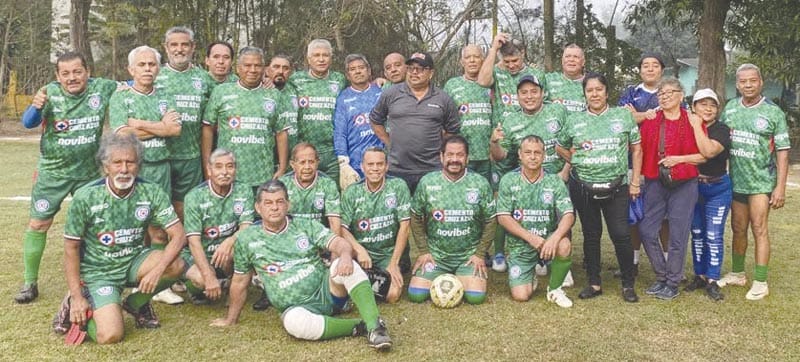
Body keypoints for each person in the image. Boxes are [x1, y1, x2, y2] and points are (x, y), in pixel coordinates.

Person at [211, 180, 392, 350]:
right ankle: (358, 327)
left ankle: (375, 327)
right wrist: (231, 319)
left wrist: (345, 255)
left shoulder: (305, 225)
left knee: (345, 265)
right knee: (293, 324)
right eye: (268, 203)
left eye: (280, 201)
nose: (275, 207)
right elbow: (240, 282)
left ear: (288, 204)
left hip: (328, 293)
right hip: (296, 308)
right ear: (258, 208)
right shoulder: (246, 239)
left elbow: (339, 243)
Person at [55, 133, 187, 344]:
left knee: (176, 265)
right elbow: (71, 247)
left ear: (139, 165)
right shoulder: (85, 197)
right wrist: (77, 295)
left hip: (134, 261)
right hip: (100, 272)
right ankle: (74, 303)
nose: (124, 169)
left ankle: (135, 303)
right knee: (111, 335)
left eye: (130, 162)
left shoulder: (151, 191)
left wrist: (156, 271)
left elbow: (179, 235)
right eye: (117, 163)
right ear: (106, 166)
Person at [14, 52, 118, 304]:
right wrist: (35, 105)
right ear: (57, 76)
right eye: (66, 74)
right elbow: (28, 123)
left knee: (93, 227)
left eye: (77, 72)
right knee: (39, 224)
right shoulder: (48, 93)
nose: (72, 78)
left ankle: (93, 278)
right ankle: (29, 282)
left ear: (87, 72)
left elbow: (134, 86)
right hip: (53, 173)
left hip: (88, 173)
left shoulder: (102, 88)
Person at [558, 72, 640, 303]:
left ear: (606, 91)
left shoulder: (622, 116)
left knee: (621, 234)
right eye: (589, 90)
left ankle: (627, 283)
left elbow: (637, 148)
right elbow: (560, 147)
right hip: (583, 186)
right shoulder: (574, 120)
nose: (594, 94)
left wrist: (635, 181)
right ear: (584, 94)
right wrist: (576, 160)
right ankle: (594, 282)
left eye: (599, 89)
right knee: (591, 235)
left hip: (617, 186)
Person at [489, 74, 574, 284]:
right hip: (526, 180)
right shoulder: (511, 120)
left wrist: (566, 169)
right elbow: (500, 156)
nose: (529, 96)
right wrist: (494, 142)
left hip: (556, 177)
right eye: (524, 92)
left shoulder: (558, 111)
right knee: (530, 219)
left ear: (542, 93)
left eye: (534, 91)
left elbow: (573, 142)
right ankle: (533, 259)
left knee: (560, 217)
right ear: (517, 96)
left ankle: (559, 261)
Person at [718, 64, 790, 300]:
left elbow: (782, 151)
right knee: (738, 228)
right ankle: (738, 273)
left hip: (761, 182)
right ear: (737, 84)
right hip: (736, 182)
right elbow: (720, 142)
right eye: (743, 81)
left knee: (759, 228)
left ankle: (761, 281)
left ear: (761, 82)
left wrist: (779, 186)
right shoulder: (730, 109)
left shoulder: (773, 113)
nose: (748, 85)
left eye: (752, 81)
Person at [476, 33, 545, 272]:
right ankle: (498, 254)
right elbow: (483, 81)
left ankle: (539, 253)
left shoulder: (537, 75)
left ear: (523, 55)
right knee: (501, 199)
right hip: (504, 141)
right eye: (508, 62)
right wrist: (494, 48)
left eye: (515, 61)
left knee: (535, 198)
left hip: (532, 142)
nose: (512, 65)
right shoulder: (498, 71)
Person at [407, 136, 496, 305]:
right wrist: (424, 251)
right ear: (441, 157)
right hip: (436, 257)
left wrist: (479, 254)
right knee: (416, 295)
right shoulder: (427, 182)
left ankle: (462, 274)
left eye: (460, 155)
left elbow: (491, 220)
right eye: (449, 155)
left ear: (467, 158)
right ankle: (445, 274)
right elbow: (415, 216)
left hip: (467, 257)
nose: (454, 159)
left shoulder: (480, 183)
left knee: (475, 297)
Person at [637, 78, 703, 300]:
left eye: (669, 93)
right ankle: (662, 274)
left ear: (681, 95)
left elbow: (704, 154)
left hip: (684, 183)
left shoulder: (693, 121)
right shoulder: (652, 121)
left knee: (678, 232)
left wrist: (679, 160)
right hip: (656, 181)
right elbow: (637, 148)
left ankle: (673, 282)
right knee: (647, 229)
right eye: (661, 94)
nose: (664, 97)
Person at [497, 136, 575, 307]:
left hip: (548, 243)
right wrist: (531, 238)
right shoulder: (508, 180)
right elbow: (503, 217)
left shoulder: (554, 181)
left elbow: (568, 214)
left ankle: (554, 289)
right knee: (521, 296)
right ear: (520, 154)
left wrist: (554, 238)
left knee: (564, 244)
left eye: (537, 153)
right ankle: (529, 273)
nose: (532, 157)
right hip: (520, 245)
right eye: (528, 152)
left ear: (544, 155)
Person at [369, 51, 460, 194]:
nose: (414, 72)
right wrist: (389, 142)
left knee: (431, 212)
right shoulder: (391, 94)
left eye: (421, 69)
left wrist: (436, 145)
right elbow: (375, 120)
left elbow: (452, 130)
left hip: (432, 169)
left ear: (430, 73)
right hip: (397, 168)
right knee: (399, 213)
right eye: (411, 68)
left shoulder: (443, 98)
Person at [201, 46, 290, 191]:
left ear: (264, 69)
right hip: (228, 175)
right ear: (237, 68)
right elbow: (208, 128)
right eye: (247, 65)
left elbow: (281, 133)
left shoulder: (274, 95)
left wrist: (282, 167)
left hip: (263, 174)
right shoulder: (221, 92)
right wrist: (207, 166)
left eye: (257, 65)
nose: (253, 70)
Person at [181, 148, 254, 305]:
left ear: (235, 170)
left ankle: (229, 283)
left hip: (225, 251)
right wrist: (208, 276)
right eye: (219, 166)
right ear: (209, 170)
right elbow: (194, 242)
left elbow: (246, 226)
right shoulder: (194, 197)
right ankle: (195, 288)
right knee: (201, 280)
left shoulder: (244, 190)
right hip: (199, 254)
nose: (225, 172)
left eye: (230, 166)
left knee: (242, 245)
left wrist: (229, 241)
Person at [617, 53, 668, 276]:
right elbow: (621, 119)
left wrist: (638, 115)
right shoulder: (631, 92)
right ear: (639, 70)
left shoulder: (669, 92)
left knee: (665, 216)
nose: (650, 69)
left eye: (654, 65)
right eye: (645, 65)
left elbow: (674, 117)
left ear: (661, 70)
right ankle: (634, 262)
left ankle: (667, 262)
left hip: (662, 163)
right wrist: (647, 115)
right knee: (633, 214)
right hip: (632, 162)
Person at [340, 148, 411, 303]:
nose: (375, 168)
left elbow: (405, 227)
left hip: (388, 253)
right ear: (362, 166)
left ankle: (363, 283)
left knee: (392, 295)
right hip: (361, 253)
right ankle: (364, 280)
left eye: (380, 164)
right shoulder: (352, 192)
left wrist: (393, 263)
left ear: (386, 166)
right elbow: (342, 228)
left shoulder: (398, 186)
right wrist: (359, 250)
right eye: (370, 164)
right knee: (338, 288)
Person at [156, 26, 212, 221]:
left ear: (192, 47)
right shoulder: (154, 76)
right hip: (160, 157)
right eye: (174, 45)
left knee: (183, 210)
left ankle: (182, 248)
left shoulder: (204, 79)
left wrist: (267, 81)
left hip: (191, 157)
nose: (179, 49)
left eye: (184, 45)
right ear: (166, 47)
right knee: (155, 210)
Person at [111, 46, 180, 195]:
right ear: (131, 70)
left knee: (160, 214)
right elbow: (122, 134)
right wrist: (163, 127)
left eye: (152, 64)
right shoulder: (120, 97)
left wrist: (139, 124)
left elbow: (174, 130)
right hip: (132, 168)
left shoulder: (167, 96)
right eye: (141, 65)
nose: (147, 69)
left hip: (161, 167)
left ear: (158, 69)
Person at [685, 88, 731, 301]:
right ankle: (700, 275)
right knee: (697, 234)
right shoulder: (686, 127)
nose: (708, 108)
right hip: (693, 187)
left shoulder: (721, 129)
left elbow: (709, 152)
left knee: (713, 235)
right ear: (694, 107)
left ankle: (713, 279)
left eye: (712, 105)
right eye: (702, 104)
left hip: (717, 188)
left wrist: (696, 125)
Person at [288, 39, 347, 185]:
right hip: (305, 151)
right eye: (316, 55)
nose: (321, 59)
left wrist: (380, 80)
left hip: (332, 151)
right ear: (308, 59)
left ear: (331, 58)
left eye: (325, 55)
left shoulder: (339, 79)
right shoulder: (295, 80)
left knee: (331, 192)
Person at [443, 45, 493, 183]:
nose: (472, 60)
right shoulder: (452, 85)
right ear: (461, 62)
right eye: (468, 57)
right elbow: (444, 119)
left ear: (483, 60)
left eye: (476, 57)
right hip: (460, 155)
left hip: (488, 155)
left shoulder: (492, 83)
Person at [333, 54, 384, 190]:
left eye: (361, 67)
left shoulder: (381, 92)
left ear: (369, 71)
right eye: (353, 69)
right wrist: (343, 163)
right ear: (348, 75)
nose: (358, 71)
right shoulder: (343, 98)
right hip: (355, 162)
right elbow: (340, 132)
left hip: (381, 160)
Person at [280, 143, 342, 233]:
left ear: (317, 163)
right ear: (292, 164)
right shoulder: (282, 184)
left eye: (311, 162)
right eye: (302, 162)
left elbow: (334, 221)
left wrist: (334, 245)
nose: (307, 167)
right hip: (290, 238)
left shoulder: (328, 184)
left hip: (319, 237)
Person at [544, 44, 587, 112]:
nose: (571, 59)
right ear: (562, 61)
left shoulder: (591, 83)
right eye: (567, 56)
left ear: (583, 62)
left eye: (576, 57)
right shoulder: (548, 79)